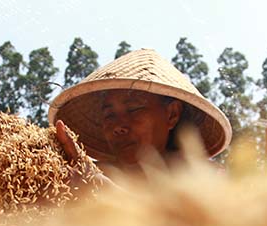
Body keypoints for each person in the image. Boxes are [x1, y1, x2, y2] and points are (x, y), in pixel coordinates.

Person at [49, 48, 232, 172]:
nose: (118, 126)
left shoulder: (204, 178)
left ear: (171, 114)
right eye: (109, 115)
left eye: (134, 109)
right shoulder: (83, 177)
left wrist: (100, 187)